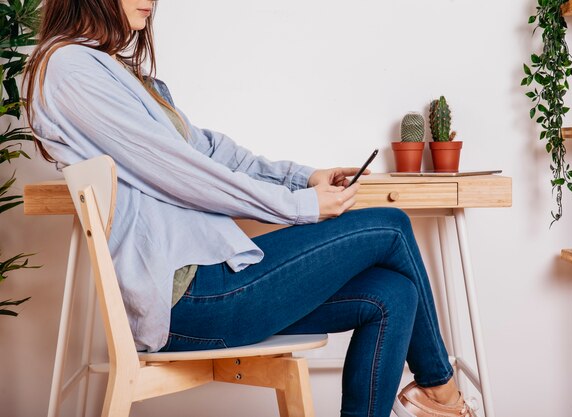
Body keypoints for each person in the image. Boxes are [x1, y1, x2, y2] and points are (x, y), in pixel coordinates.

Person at [25, 1, 478, 416]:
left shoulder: (107, 69)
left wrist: (301, 178)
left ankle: (436, 393)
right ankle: (441, 392)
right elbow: (185, 173)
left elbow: (210, 151)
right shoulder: (70, 68)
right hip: (189, 297)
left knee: (393, 294)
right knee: (393, 225)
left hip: (211, 282)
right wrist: (301, 206)